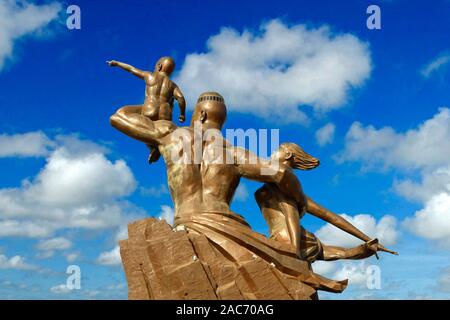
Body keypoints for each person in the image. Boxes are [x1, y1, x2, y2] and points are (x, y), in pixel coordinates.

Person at [110, 92, 347, 294]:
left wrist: (153, 105)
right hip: (228, 228)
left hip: (187, 221)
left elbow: (118, 117)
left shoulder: (170, 134)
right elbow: (281, 174)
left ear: (200, 114)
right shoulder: (234, 153)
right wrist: (300, 201)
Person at [255, 142, 398, 262]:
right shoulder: (296, 192)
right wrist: (368, 239)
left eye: (277, 149)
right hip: (301, 239)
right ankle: (362, 249)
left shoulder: (283, 177)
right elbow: (332, 217)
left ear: (287, 155)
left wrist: (293, 248)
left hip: (288, 239)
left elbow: (290, 210)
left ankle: (362, 249)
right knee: (337, 253)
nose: (273, 152)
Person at [107, 56, 186, 163]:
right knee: (149, 124)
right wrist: (182, 115)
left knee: (121, 113)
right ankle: (154, 146)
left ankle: (152, 145)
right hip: (166, 115)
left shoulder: (150, 76)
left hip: (150, 108)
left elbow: (131, 69)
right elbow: (181, 99)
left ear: (159, 66)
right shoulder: (173, 85)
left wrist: (117, 63)